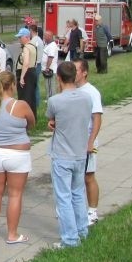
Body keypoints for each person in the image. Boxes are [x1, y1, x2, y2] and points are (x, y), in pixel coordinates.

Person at [0, 70, 35, 244]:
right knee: (15, 194)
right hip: (17, 154)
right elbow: (32, 122)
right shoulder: (19, 105)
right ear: (12, 85)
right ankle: (12, 234)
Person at [47, 61, 92, 248]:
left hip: (62, 154)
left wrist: (54, 123)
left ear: (58, 78)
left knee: (63, 197)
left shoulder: (55, 101)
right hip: (80, 152)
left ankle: (70, 239)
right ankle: (82, 230)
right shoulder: (86, 98)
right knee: (78, 194)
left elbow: (52, 119)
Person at [74, 58, 103, 226]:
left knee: (88, 176)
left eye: (76, 70)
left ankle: (92, 211)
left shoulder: (91, 92)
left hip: (87, 140)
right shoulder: (73, 90)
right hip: (74, 141)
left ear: (84, 72)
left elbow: (97, 118)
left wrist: (91, 142)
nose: (74, 73)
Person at [14, 28, 38, 114]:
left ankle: (25, 116)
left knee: (25, 96)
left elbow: (26, 62)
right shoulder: (33, 46)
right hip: (32, 72)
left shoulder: (27, 47)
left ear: (27, 37)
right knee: (31, 96)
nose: (19, 39)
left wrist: (22, 77)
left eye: (21, 37)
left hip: (26, 73)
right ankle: (32, 116)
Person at [41, 30, 59, 100]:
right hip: (48, 68)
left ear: (49, 37)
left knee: (50, 84)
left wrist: (47, 68)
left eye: (45, 36)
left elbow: (50, 57)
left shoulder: (52, 46)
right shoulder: (48, 44)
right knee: (47, 84)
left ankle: (51, 98)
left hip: (50, 69)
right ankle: (49, 97)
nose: (44, 37)